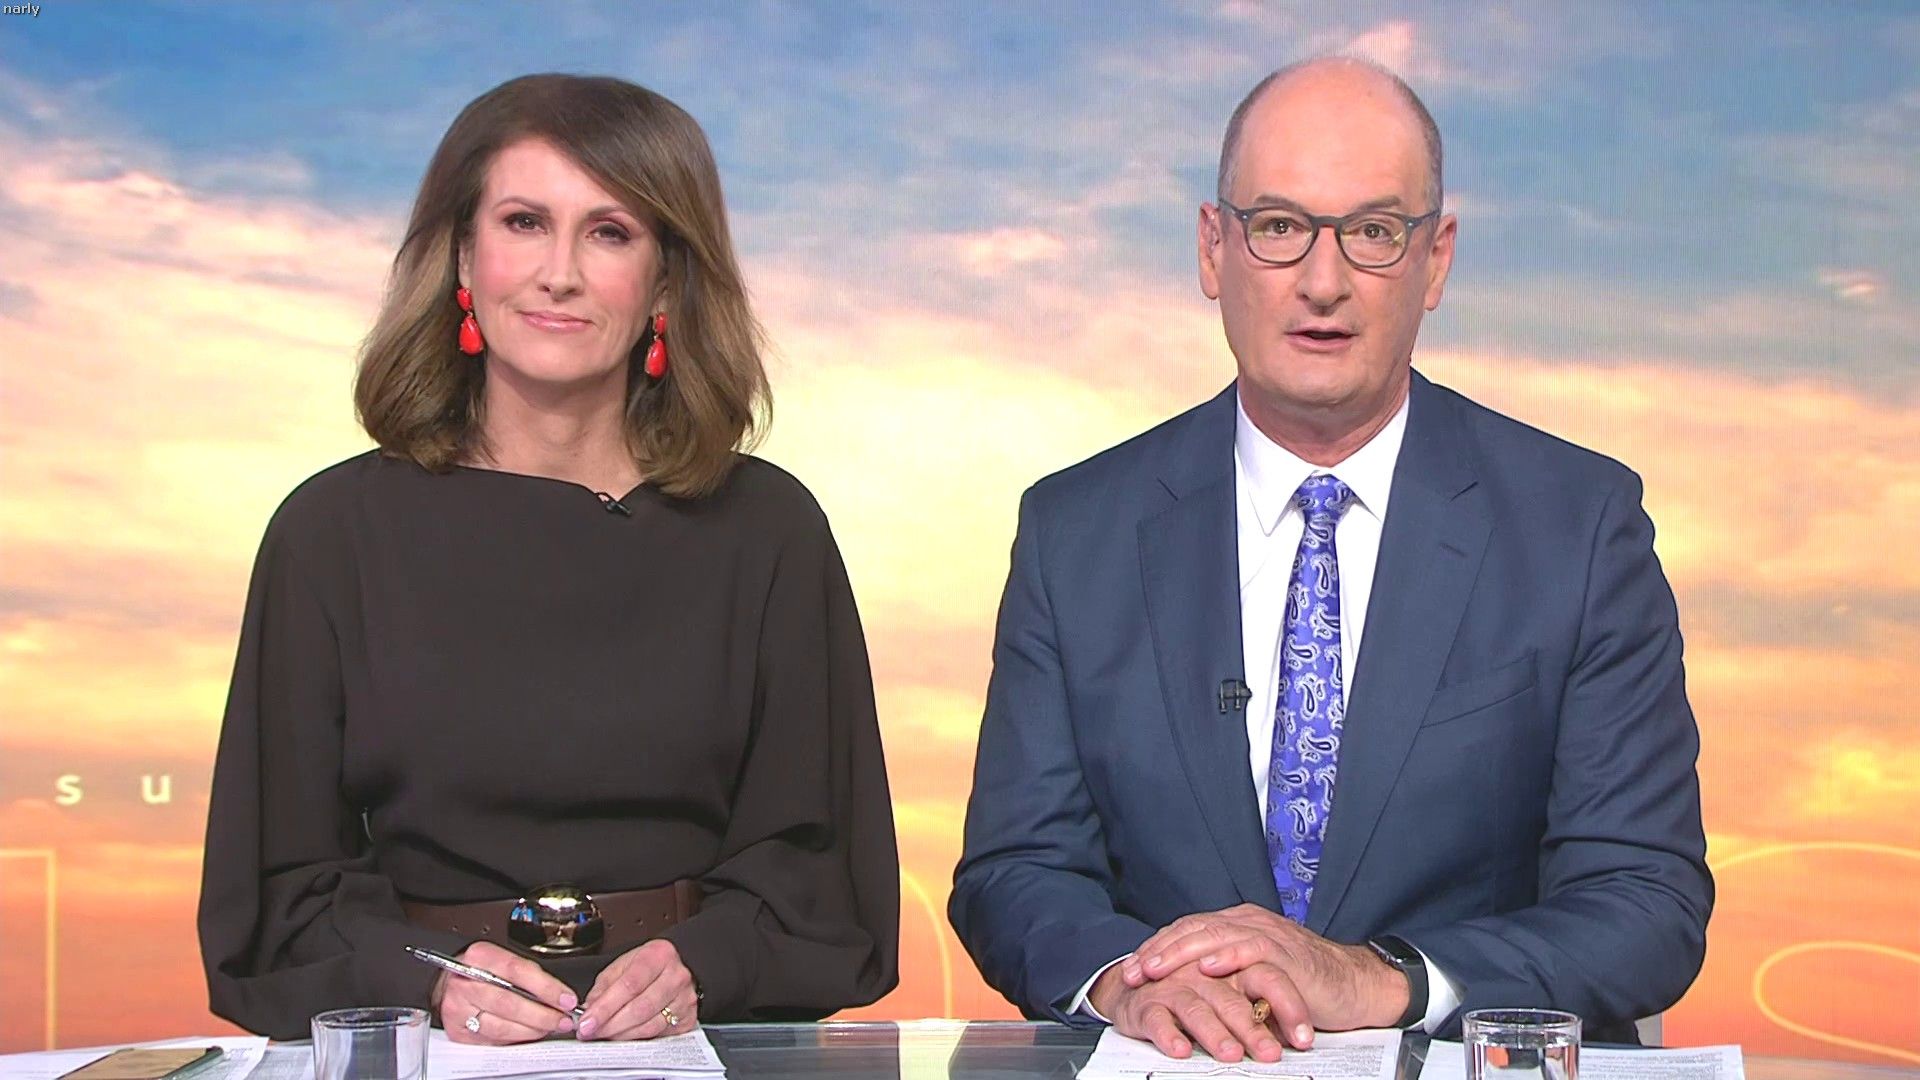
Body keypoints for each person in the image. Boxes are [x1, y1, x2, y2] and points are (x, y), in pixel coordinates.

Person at [949, 57, 1711, 1065]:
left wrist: (1379, 982)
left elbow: (1646, 902)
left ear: (1436, 261)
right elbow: (1014, 874)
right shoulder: (1074, 532)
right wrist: (1132, 982)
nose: (1323, 280)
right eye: (1278, 226)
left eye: (1374, 233)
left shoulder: (1578, 527)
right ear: (1213, 249)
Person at [198, 74, 899, 1044]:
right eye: (524, 222)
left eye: (609, 233)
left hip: (694, 1042)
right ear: (462, 256)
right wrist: (429, 980)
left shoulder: (769, 528)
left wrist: (704, 965)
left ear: (665, 281)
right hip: (432, 1043)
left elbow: (821, 871)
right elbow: (277, 895)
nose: (559, 274)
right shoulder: (329, 533)